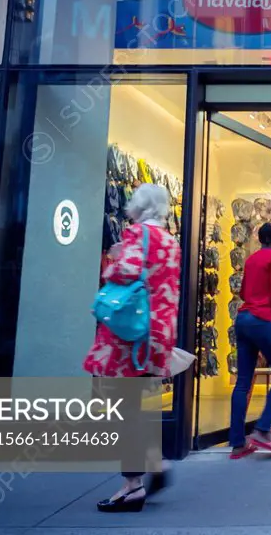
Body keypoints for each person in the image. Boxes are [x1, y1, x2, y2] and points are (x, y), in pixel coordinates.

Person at [84, 183, 181, 513]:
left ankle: (133, 485)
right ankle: (154, 464)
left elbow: (126, 271)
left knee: (124, 406)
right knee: (139, 404)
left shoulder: (137, 235)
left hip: (130, 333)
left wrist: (110, 263)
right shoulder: (170, 241)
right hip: (156, 331)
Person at [229, 222, 271, 458]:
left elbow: (244, 293)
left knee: (243, 382)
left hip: (243, 318)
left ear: (259, 239)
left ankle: (237, 443)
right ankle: (263, 429)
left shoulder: (251, 259)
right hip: (262, 320)